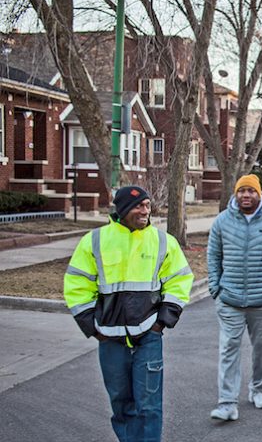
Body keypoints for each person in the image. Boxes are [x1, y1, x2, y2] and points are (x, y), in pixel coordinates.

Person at [63, 186, 194, 442]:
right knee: (121, 404)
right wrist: (93, 327)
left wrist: (161, 323)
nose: (145, 211)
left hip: (148, 336)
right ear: (122, 209)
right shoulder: (95, 241)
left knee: (149, 405)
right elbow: (77, 285)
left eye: (147, 205)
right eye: (138, 206)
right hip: (110, 338)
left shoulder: (163, 241)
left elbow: (180, 281)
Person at [207, 174, 262, 421]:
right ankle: (227, 403)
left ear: (259, 194)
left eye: (251, 191)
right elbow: (213, 257)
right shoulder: (222, 222)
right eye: (242, 191)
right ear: (236, 193)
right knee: (228, 349)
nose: (246, 195)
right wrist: (216, 289)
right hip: (229, 299)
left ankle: (258, 389)